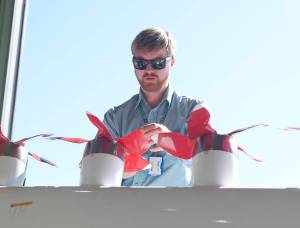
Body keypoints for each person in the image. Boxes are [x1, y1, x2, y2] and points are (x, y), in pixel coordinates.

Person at [103, 27, 203, 187]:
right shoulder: (115, 118)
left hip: (177, 210)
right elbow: (96, 172)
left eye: (158, 63)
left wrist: (175, 143)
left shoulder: (194, 111)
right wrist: (121, 166)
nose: (149, 70)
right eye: (140, 63)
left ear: (172, 63)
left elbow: (211, 164)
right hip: (125, 210)